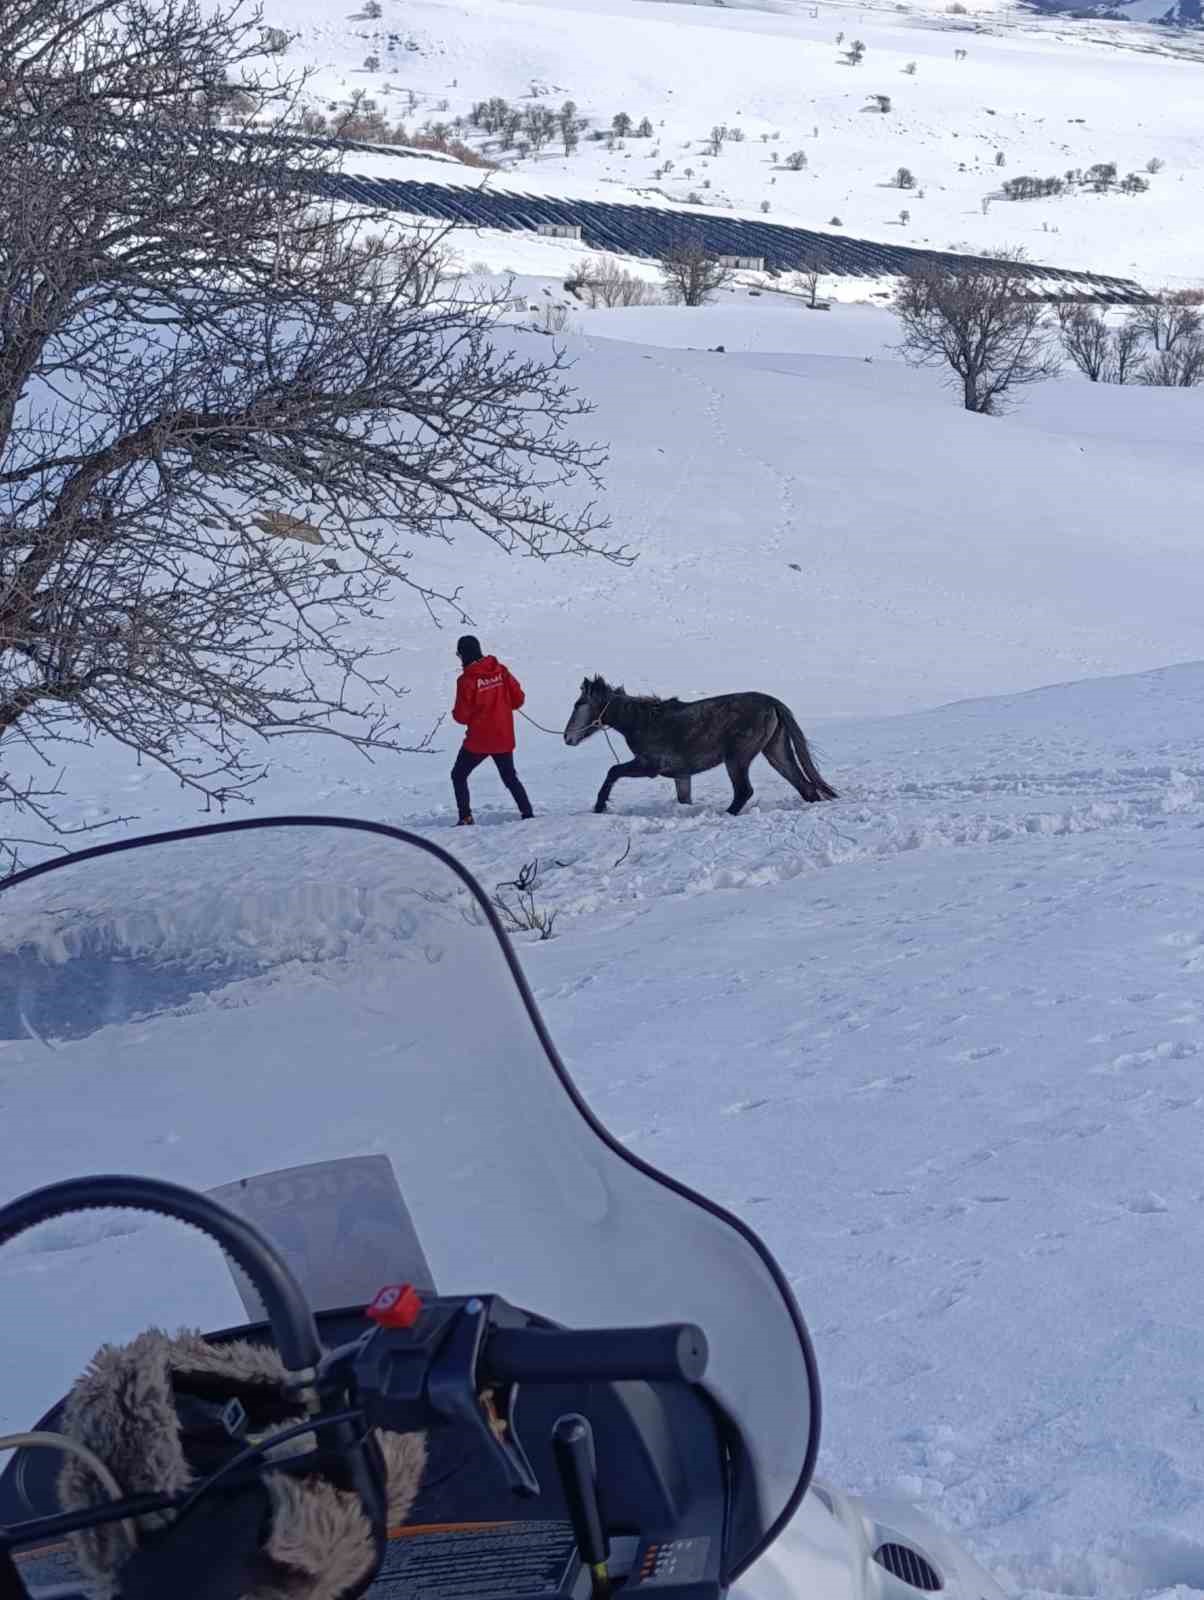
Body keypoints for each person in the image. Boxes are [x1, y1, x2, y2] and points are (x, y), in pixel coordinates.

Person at [450, 636, 534, 826]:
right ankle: (528, 814)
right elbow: (518, 699)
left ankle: (466, 817)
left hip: (479, 741)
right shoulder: (501, 670)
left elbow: (461, 716)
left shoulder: (466, 680)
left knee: (458, 775)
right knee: (510, 778)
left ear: (463, 654)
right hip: (503, 736)